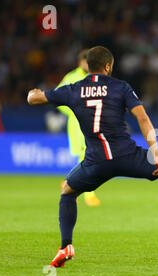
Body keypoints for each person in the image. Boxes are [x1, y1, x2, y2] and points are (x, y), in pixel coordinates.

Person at [27, 46, 158, 267]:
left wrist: (33, 92)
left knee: (68, 192)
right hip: (126, 155)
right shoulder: (121, 87)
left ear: (88, 66)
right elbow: (143, 118)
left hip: (95, 161)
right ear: (108, 66)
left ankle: (66, 246)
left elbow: (34, 99)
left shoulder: (73, 89)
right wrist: (154, 152)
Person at [56, 49, 101, 206]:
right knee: (86, 156)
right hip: (77, 125)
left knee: (88, 156)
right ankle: (88, 193)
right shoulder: (71, 78)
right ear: (80, 62)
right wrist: (74, 110)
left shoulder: (95, 78)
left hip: (93, 123)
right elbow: (57, 98)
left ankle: (69, 182)